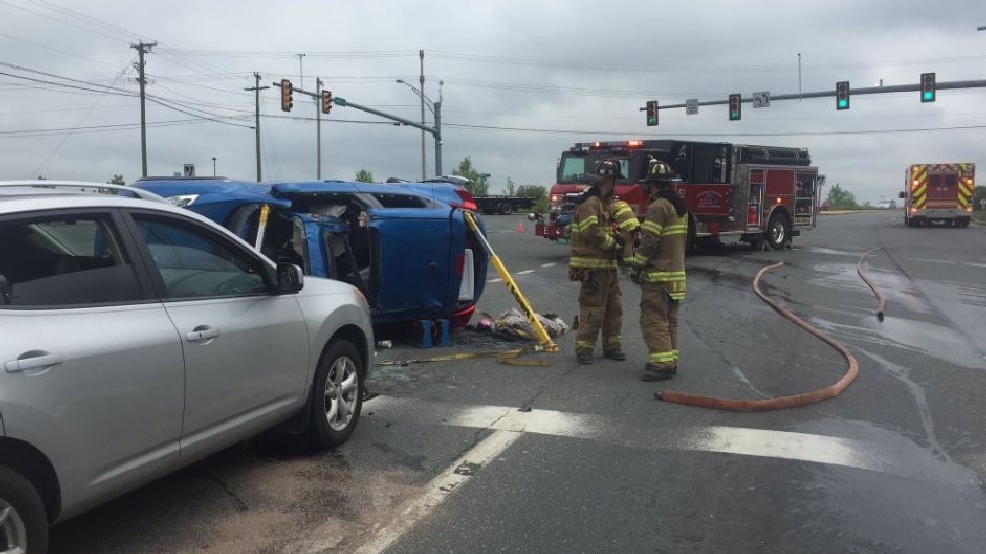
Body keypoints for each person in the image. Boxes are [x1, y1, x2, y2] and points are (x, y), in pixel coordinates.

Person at [630, 160, 689, 382]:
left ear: (651, 185)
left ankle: (661, 365)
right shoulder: (679, 207)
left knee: (654, 320)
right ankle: (669, 360)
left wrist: (636, 267)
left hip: (659, 276)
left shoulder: (658, 208)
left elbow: (649, 243)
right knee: (669, 321)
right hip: (676, 276)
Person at [569, 158, 627, 365]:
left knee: (614, 310)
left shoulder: (605, 203)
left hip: (607, 268)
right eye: (613, 181)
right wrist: (613, 245)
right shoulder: (591, 202)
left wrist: (619, 236)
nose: (614, 185)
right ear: (607, 180)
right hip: (593, 268)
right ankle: (584, 350)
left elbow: (606, 228)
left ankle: (612, 347)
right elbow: (590, 230)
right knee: (592, 310)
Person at [610, 197, 640, 266]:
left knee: (627, 242)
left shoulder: (611, 206)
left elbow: (609, 218)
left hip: (627, 224)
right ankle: (631, 258)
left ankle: (627, 262)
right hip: (635, 222)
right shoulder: (623, 203)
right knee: (631, 241)